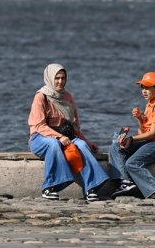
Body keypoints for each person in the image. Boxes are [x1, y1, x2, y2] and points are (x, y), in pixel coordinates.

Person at [28, 63, 109, 202]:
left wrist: (87, 141)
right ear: (49, 78)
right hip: (40, 138)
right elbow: (40, 126)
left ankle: (91, 188)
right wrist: (59, 137)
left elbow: (74, 127)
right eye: (57, 78)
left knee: (82, 146)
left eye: (63, 78)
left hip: (65, 137)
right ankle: (49, 187)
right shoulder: (41, 97)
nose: (60, 81)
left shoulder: (67, 97)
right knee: (53, 144)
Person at [108, 71, 155, 201]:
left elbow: (154, 133)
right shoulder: (149, 105)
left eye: (148, 87)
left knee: (132, 163)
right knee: (116, 147)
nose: (144, 91)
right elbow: (143, 133)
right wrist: (139, 118)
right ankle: (127, 183)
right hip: (150, 141)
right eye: (142, 87)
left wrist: (132, 139)